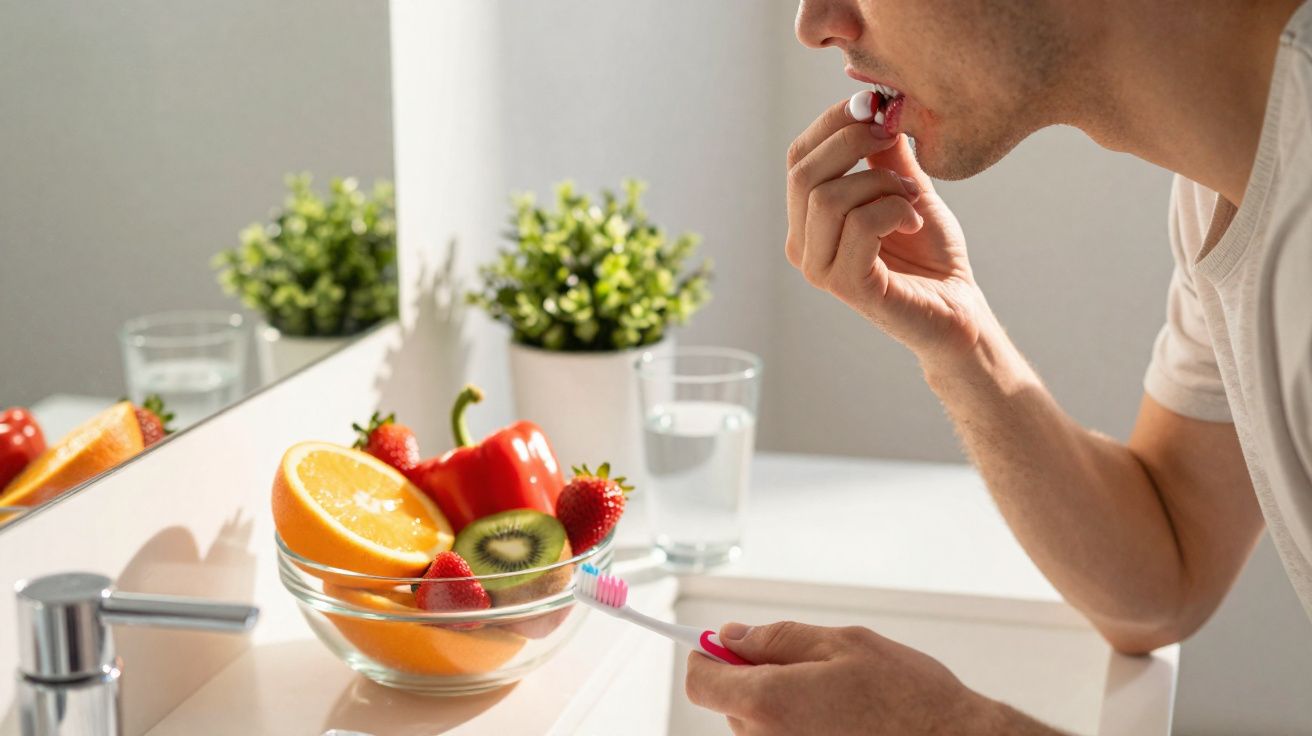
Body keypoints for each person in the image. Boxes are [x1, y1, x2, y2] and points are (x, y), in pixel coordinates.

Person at [684, 0, 1312, 732]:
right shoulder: (1225, 174)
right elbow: (1166, 577)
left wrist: (945, 727)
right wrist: (963, 343)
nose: (816, 21)